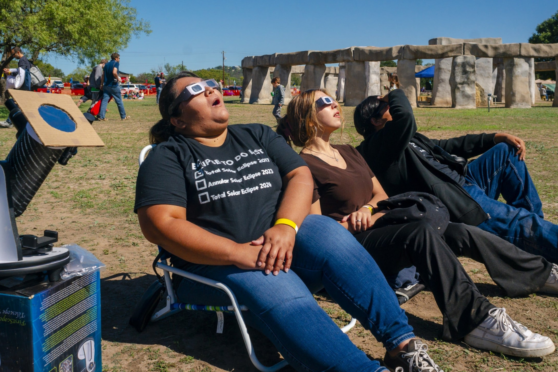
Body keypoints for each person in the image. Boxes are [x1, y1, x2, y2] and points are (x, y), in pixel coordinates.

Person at [134, 71, 443, 372]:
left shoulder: (256, 134)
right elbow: (160, 223)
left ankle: (403, 347)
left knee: (324, 230)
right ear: (177, 120)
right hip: (214, 265)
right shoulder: (168, 156)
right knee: (271, 274)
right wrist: (237, 253)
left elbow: (300, 175)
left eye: (209, 84)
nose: (209, 90)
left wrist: (285, 226)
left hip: (280, 245)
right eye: (194, 91)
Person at [277, 88, 557, 357]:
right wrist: (352, 223)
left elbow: (380, 195)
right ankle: (475, 321)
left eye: (333, 97)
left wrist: (368, 209)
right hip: (351, 244)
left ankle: (540, 273)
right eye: (325, 101)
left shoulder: (349, 151)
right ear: (309, 117)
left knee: (460, 232)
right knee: (420, 232)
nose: (335, 103)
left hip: (379, 224)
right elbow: (316, 231)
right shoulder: (305, 166)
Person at [355, 90, 558, 263]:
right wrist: (394, 93)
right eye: (388, 107)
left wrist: (495, 137)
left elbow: (447, 146)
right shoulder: (377, 148)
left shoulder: (405, 139)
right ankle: (538, 237)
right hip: (457, 201)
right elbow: (406, 116)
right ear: (374, 120)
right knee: (521, 222)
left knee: (505, 151)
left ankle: (538, 241)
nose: (393, 107)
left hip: (464, 182)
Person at [98, 53, 130, 121]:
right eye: (119, 58)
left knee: (104, 101)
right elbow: (114, 72)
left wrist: (101, 84)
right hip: (113, 85)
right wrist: (118, 78)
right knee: (119, 101)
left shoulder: (106, 64)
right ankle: (123, 116)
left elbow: (103, 75)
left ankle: (101, 116)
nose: (119, 59)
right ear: (116, 58)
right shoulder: (116, 63)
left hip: (106, 85)